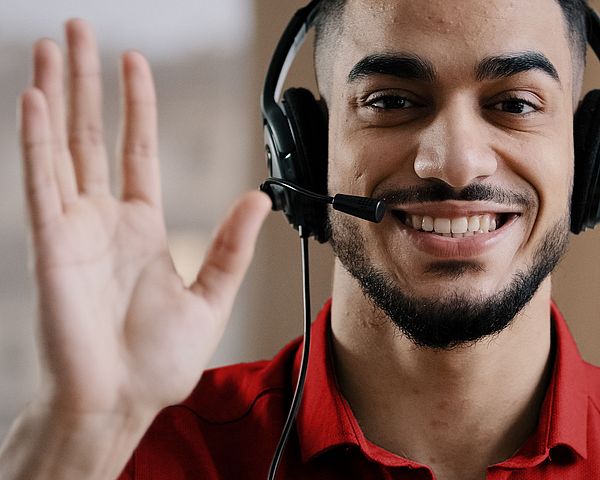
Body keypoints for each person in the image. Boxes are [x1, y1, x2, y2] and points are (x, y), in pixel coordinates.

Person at [1, 0, 599, 478]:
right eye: (390, 101)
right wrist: (77, 434)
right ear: (304, 153)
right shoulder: (138, 449)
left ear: (587, 152)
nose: (456, 163)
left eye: (515, 104)